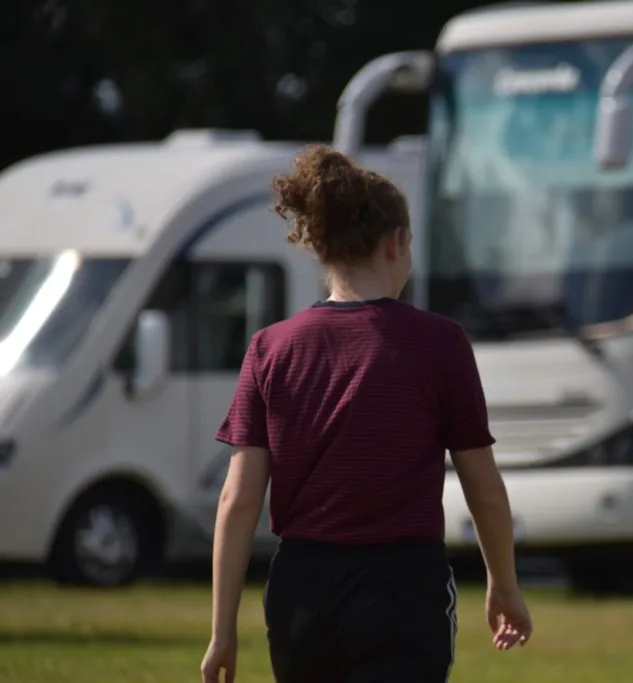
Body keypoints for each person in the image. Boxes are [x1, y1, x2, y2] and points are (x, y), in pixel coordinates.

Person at [200, 145, 533, 683]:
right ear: (397, 241)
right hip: (402, 589)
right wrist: (504, 584)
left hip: (302, 593)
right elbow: (484, 489)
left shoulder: (269, 348)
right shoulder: (440, 344)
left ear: (323, 249)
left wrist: (222, 631)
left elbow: (237, 501)